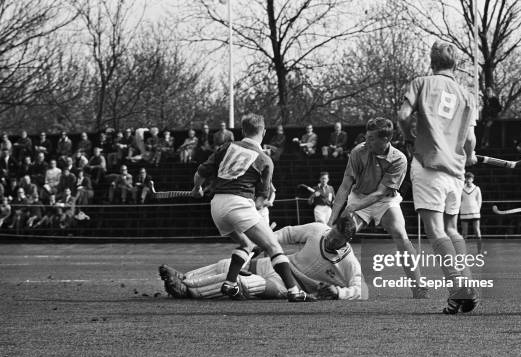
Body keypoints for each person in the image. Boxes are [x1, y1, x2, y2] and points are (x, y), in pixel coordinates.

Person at [192, 113, 315, 302]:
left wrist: (196, 188)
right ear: (264, 132)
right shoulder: (265, 160)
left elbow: (201, 171)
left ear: (242, 131)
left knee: (247, 244)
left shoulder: (226, 146)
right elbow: (261, 199)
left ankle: (230, 284)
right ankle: (294, 291)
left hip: (216, 205)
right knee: (273, 246)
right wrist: (258, 211)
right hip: (239, 204)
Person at [397, 41, 480, 314]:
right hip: (455, 171)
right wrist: (471, 154)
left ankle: (459, 288)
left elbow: (403, 115)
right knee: (452, 228)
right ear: (455, 65)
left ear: (431, 62)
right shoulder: (468, 95)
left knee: (435, 231)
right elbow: (469, 138)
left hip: (428, 164)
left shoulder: (421, 82)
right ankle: (464, 289)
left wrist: (409, 137)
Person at [328, 117, 428, 300]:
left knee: (400, 234)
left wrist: (353, 207)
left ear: (386, 140)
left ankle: (419, 287)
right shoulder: (358, 151)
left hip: (385, 201)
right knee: (335, 238)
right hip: (359, 196)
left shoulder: (399, 159)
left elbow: (381, 193)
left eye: (372, 138)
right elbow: (344, 186)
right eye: (367, 136)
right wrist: (332, 218)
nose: (367, 141)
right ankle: (329, 283)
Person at [159, 218, 363, 300]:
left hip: (289, 285)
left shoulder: (349, 262)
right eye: (332, 233)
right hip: (280, 264)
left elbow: (360, 289)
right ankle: (182, 277)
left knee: (248, 284)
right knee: (227, 265)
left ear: (347, 240)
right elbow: (288, 233)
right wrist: (266, 242)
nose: (330, 239)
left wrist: (340, 292)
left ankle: (189, 290)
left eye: (336, 239)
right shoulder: (319, 230)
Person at [459, 172, 484, 254]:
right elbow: (459, 200)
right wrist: (461, 209)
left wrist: (477, 210)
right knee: (464, 233)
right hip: (464, 213)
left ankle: (479, 251)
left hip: (475, 213)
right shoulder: (461, 188)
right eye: (467, 178)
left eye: (470, 178)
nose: (468, 180)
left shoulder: (477, 188)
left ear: (472, 179)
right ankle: (463, 252)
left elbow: (479, 201)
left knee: (477, 231)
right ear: (465, 179)